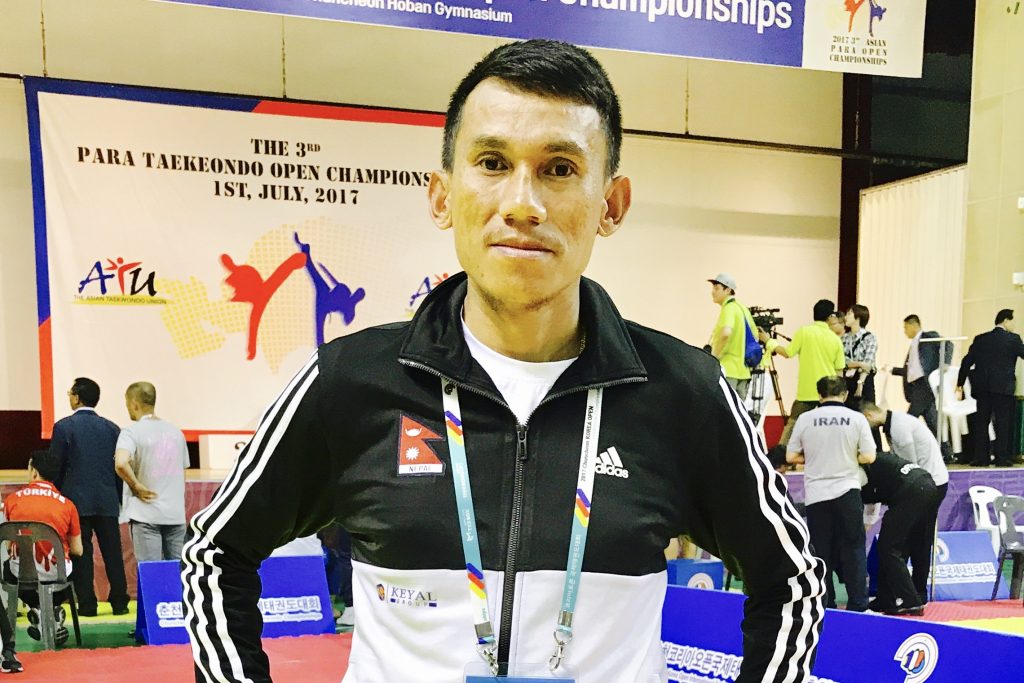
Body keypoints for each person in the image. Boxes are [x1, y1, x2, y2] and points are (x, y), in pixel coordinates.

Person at [182, 40, 825, 683]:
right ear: (442, 196)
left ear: (611, 205)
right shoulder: (349, 382)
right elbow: (216, 554)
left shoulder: (684, 392)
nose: (522, 203)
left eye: (559, 168)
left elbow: (791, 580)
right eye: (492, 162)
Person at [786, 376, 876, 612]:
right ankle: (858, 604)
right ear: (845, 395)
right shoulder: (856, 418)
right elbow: (869, 456)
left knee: (821, 552)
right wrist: (849, 458)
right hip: (848, 490)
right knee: (854, 550)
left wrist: (814, 458)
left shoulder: (805, 419)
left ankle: (826, 604)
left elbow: (790, 456)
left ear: (819, 395)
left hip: (817, 495)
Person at [48, 377, 129, 617]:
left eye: (70, 393)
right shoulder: (112, 428)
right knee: (113, 553)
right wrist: (119, 499)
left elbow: (55, 466)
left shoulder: (63, 427)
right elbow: (118, 467)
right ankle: (120, 602)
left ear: (77, 397)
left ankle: (87, 604)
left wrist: (57, 496)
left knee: (81, 554)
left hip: (75, 501)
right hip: (107, 499)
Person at [861, 403, 948, 605]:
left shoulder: (899, 427)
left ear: (869, 415)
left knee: (914, 542)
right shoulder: (896, 423)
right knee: (913, 541)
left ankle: (914, 594)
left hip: (927, 483)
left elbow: (910, 466)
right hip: (926, 483)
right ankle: (909, 594)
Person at [3, 450, 84, 645]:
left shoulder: (12, 500)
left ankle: (37, 609)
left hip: (21, 573)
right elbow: (78, 550)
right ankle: (53, 609)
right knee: (77, 564)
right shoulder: (68, 505)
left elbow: (8, 544)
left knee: (9, 568)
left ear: (34, 472)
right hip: (56, 574)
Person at [114, 382, 189, 562]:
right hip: (175, 514)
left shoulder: (131, 432)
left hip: (145, 515)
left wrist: (136, 485)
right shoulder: (176, 433)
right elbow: (183, 472)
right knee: (179, 572)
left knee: (151, 572)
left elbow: (121, 463)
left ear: (134, 404)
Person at [859, 452, 937, 616]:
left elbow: (870, 505)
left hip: (909, 490)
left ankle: (911, 601)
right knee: (918, 545)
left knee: (888, 548)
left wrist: (863, 529)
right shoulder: (877, 460)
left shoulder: (859, 470)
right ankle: (891, 598)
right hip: (928, 484)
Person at [762, 299, 847, 446]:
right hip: (828, 392)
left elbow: (787, 353)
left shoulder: (804, 332)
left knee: (792, 426)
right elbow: (839, 370)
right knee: (828, 429)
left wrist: (769, 341)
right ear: (830, 317)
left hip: (806, 391)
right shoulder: (835, 339)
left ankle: (781, 454)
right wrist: (838, 394)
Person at [956, 309, 1024, 467]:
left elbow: (967, 361)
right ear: (1006, 320)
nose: (1013, 325)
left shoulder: (980, 339)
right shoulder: (1013, 339)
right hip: (1003, 388)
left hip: (983, 388)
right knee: (1002, 422)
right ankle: (1001, 458)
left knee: (982, 422)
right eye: (1012, 321)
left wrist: (960, 383)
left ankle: (982, 458)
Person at [891, 315, 953, 460]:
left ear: (914, 325)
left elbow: (948, 344)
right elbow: (912, 369)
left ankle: (901, 450)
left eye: (906, 327)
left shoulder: (928, 337)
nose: (905, 331)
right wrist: (892, 370)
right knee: (932, 422)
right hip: (916, 386)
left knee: (909, 419)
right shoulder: (914, 344)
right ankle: (947, 453)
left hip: (925, 385)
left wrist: (945, 363)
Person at [708, 272, 758, 400]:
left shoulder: (729, 308)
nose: (713, 292)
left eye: (717, 288)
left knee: (723, 409)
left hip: (728, 370)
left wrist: (714, 357)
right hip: (744, 372)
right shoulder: (743, 309)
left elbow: (726, 333)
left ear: (728, 290)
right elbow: (755, 336)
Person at [841, 304, 878, 408]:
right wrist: (860, 364)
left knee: (867, 412)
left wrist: (860, 382)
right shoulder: (844, 338)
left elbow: (868, 364)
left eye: (849, 314)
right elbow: (842, 361)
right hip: (847, 381)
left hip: (865, 381)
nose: (846, 317)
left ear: (858, 317)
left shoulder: (870, 338)